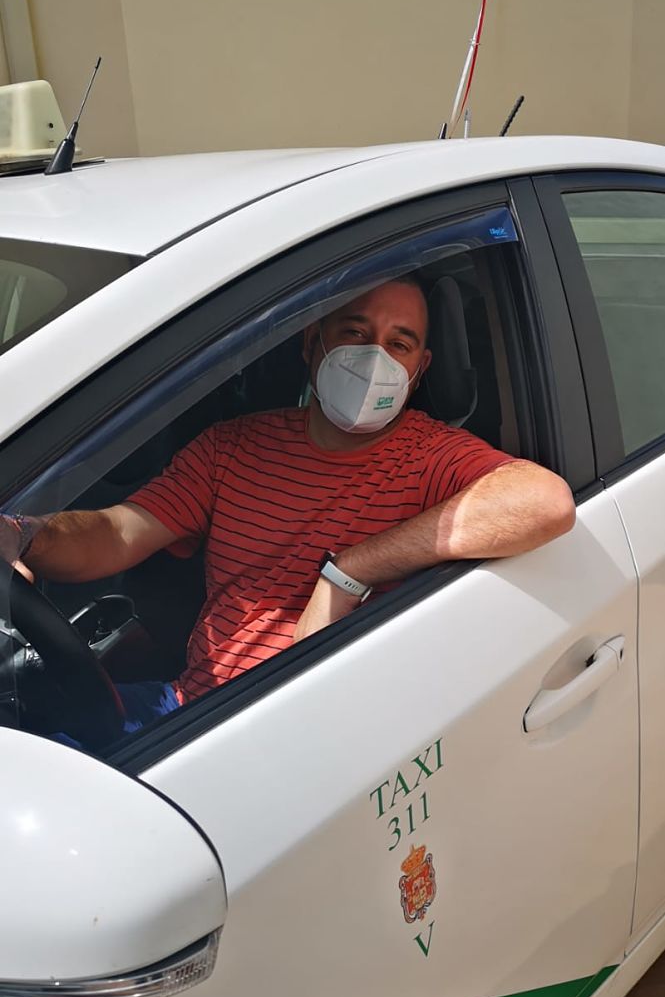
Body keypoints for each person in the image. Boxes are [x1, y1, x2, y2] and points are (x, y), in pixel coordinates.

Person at [2, 278, 575, 730]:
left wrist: (350, 570)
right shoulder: (232, 445)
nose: (374, 355)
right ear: (312, 343)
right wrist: (27, 534)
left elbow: (543, 502)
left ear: (419, 369)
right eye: (355, 331)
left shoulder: (431, 458)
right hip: (194, 709)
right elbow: (117, 533)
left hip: (309, 726)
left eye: (399, 343)